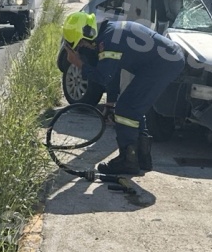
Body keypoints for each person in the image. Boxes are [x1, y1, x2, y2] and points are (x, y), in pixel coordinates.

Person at [62, 12, 185, 175]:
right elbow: (114, 72)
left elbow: (103, 77)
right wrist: (110, 102)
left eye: (80, 46)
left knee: (127, 110)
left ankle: (128, 161)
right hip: (166, 60)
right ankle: (142, 158)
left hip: (163, 64)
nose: (82, 50)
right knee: (132, 107)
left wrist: (79, 63)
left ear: (87, 37)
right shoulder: (108, 32)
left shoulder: (108, 41)